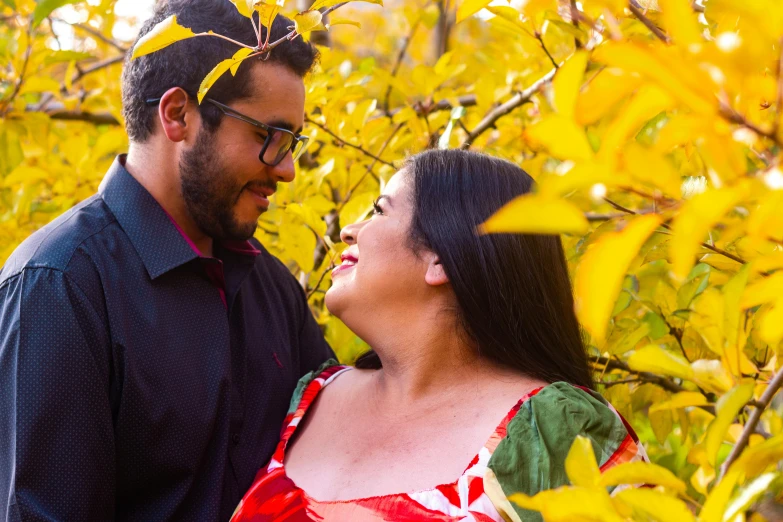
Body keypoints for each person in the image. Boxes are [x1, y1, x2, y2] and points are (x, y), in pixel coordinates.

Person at [0, 1, 334, 520]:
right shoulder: (60, 285)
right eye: (269, 137)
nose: (288, 169)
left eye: (293, 141)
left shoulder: (272, 288)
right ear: (178, 114)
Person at [230, 149, 647, 522]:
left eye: (378, 210)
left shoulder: (557, 434)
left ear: (440, 257)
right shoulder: (306, 397)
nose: (348, 230)